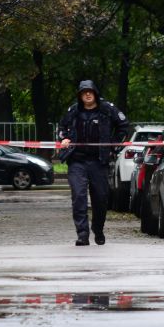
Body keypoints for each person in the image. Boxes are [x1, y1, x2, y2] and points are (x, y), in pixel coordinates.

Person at [58, 80, 130, 246]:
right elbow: (62, 128)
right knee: (79, 196)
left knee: (101, 198)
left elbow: (124, 127)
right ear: (80, 95)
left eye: (90, 91)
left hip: (99, 161)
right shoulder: (73, 111)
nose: (88, 95)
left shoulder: (107, 109)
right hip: (77, 160)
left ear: (95, 93)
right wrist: (64, 138)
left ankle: (98, 229)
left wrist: (113, 146)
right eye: (84, 92)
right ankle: (82, 235)